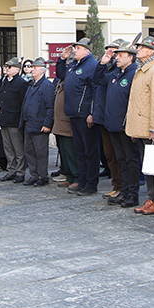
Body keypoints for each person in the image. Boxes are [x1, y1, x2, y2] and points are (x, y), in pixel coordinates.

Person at [125, 37, 154, 214]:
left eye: (142, 48)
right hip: (141, 126)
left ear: (151, 51)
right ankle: (151, 198)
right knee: (148, 165)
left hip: (150, 129)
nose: (138, 50)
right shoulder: (142, 69)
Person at [96, 44, 139, 208]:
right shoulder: (116, 73)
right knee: (121, 160)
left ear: (131, 57)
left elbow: (135, 102)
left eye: (121, 55)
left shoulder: (134, 74)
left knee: (131, 160)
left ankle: (132, 194)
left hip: (126, 126)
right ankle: (124, 191)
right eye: (116, 55)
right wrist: (103, 63)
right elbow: (98, 80)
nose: (117, 57)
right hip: (112, 125)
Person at [57, 38, 101, 197]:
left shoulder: (92, 65)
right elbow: (61, 74)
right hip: (73, 114)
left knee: (90, 151)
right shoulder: (74, 65)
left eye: (79, 48)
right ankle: (82, 180)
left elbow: (96, 91)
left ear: (87, 51)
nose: (75, 50)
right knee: (80, 150)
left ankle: (91, 183)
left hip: (84, 115)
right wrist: (62, 59)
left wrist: (92, 113)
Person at [94, 39, 125, 201]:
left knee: (121, 157)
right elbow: (97, 80)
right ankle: (116, 185)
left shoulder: (123, 71)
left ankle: (123, 188)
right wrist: (102, 63)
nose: (112, 55)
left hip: (118, 120)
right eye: (109, 51)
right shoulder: (110, 69)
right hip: (104, 117)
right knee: (110, 156)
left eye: (115, 52)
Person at [20, 58, 55, 186]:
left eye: (35, 67)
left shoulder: (47, 86)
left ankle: (43, 176)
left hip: (40, 124)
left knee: (41, 152)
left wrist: (47, 124)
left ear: (42, 70)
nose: (32, 69)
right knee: (29, 151)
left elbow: (50, 107)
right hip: (29, 124)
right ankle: (34, 175)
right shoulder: (31, 84)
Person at [0, 58, 27, 182]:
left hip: (15, 120)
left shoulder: (21, 83)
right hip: (4, 119)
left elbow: (23, 103)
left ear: (17, 69)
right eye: (6, 66)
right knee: (8, 148)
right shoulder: (5, 82)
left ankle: (20, 172)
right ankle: (11, 170)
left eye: (9, 67)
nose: (6, 69)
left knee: (18, 148)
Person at [52, 78, 78, 186]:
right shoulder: (60, 82)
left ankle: (76, 177)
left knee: (70, 153)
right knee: (64, 153)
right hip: (59, 123)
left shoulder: (71, 82)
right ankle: (69, 176)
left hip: (67, 123)